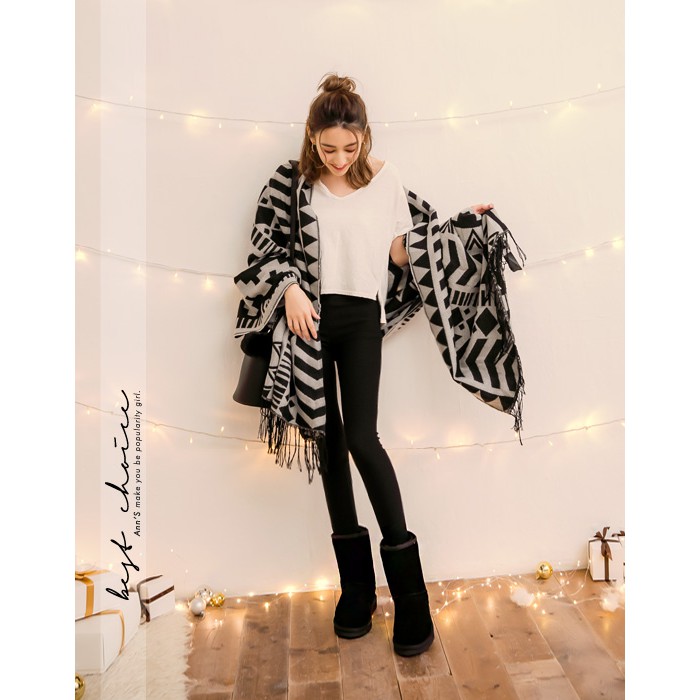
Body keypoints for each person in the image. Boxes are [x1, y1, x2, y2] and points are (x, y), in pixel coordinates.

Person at [269, 72, 494, 657]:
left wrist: (458, 228)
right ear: (312, 139)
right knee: (327, 438)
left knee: (362, 438)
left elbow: (399, 250)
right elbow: (269, 247)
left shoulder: (386, 180)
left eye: (350, 146)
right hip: (309, 319)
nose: (340, 158)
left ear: (365, 136)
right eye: (328, 148)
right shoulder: (293, 183)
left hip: (361, 317)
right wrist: (290, 289)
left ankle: (411, 598)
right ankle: (356, 590)